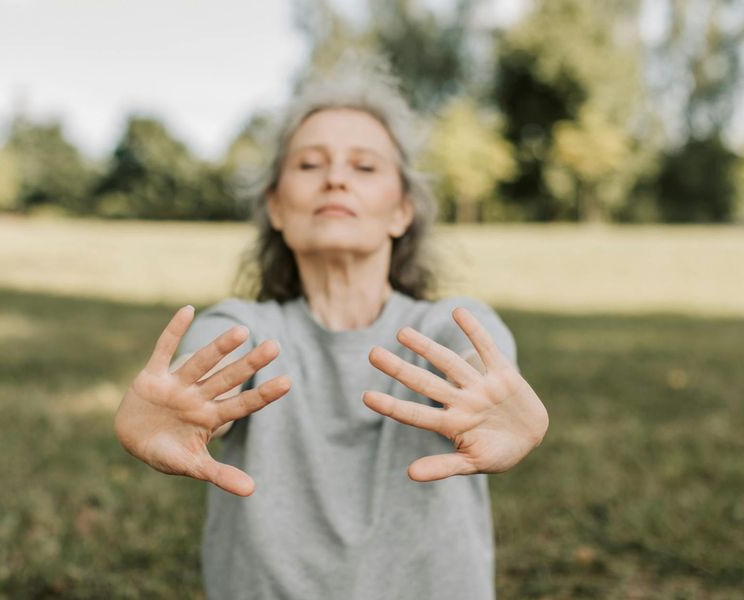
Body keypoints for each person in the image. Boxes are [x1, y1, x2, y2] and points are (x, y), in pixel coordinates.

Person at [114, 55, 549, 599]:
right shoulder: (243, 325)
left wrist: (496, 393)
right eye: (310, 165)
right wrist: (179, 402)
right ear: (275, 206)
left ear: (401, 211)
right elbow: (213, 360)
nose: (336, 179)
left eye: (364, 167)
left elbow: (482, 350)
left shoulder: (444, 323)